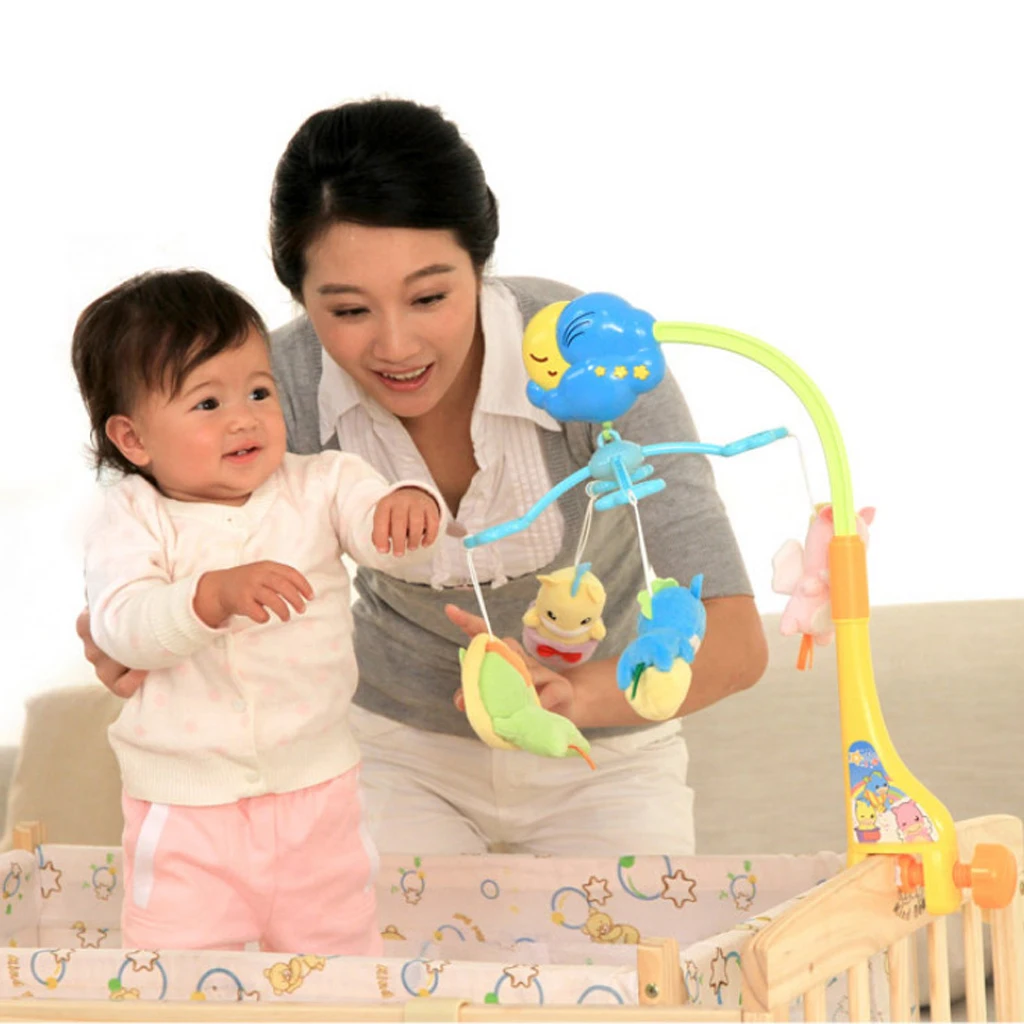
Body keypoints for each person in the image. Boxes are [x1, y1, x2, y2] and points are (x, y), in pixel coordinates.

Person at [79, 97, 768, 858]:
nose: (396, 346)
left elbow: (736, 642)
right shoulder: (272, 393)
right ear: (300, 298)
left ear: (480, 264)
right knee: (375, 938)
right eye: (348, 311)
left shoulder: (588, 354)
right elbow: (165, 548)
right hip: (388, 755)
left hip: (604, 749)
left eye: (430, 297)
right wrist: (129, 622)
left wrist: (572, 694)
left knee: (630, 936)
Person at [71, 269, 443, 953]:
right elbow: (122, 625)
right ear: (134, 439)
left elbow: (378, 527)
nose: (244, 418)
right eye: (207, 403)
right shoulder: (130, 517)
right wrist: (209, 596)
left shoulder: (320, 483)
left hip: (318, 795)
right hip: (187, 811)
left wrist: (409, 503)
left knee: (339, 964)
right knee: (175, 977)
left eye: (259, 392)